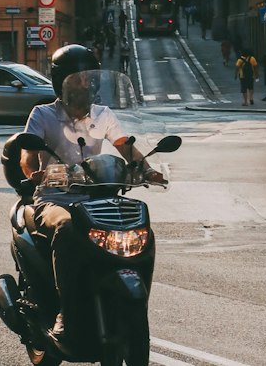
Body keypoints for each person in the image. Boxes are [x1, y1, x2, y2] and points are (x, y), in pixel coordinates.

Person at [20, 43, 164, 351]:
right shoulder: (43, 115)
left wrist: (148, 170)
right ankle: (67, 313)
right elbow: (27, 157)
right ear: (62, 82)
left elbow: (126, 147)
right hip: (54, 200)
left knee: (140, 227)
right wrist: (35, 173)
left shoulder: (104, 115)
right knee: (68, 228)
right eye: (77, 78)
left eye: (88, 78)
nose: (84, 83)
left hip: (95, 198)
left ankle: (128, 301)